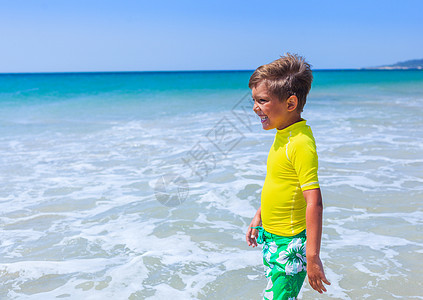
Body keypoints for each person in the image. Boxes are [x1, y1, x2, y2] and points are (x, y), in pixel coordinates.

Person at [245, 53, 330, 299]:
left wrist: (312, 257)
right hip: (272, 236)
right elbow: (278, 182)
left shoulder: (301, 142)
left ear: (290, 104)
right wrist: (259, 214)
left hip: (290, 243)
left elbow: (315, 201)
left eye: (262, 100)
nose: (255, 107)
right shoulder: (283, 133)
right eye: (254, 100)